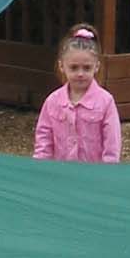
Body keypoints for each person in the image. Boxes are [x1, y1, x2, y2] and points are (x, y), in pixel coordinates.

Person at [33, 24, 121, 162]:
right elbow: (43, 141)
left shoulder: (105, 101)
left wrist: (107, 175)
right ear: (62, 66)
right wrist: (42, 169)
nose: (80, 74)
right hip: (60, 175)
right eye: (74, 68)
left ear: (96, 66)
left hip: (94, 177)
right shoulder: (53, 101)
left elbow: (112, 144)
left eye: (86, 68)